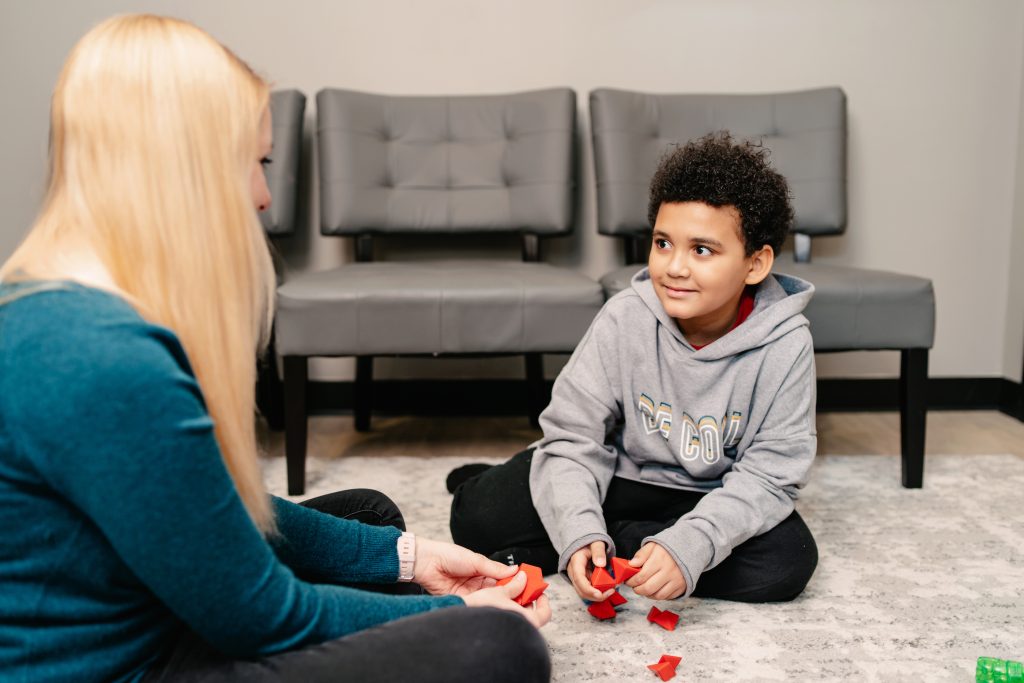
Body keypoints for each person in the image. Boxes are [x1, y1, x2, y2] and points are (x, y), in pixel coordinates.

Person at [0, 14, 549, 683]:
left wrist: (413, 558)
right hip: (137, 665)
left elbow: (214, 513)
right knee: (497, 645)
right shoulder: (106, 361)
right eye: (256, 164)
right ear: (186, 170)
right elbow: (260, 616)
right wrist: (454, 618)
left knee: (372, 520)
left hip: (165, 611)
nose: (264, 197)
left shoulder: (56, 307)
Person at [449, 132, 819, 605]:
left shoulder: (785, 343)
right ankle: (607, 538)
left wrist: (692, 544)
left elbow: (770, 476)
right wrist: (581, 530)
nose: (675, 267)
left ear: (755, 263)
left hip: (710, 493)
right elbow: (573, 435)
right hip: (622, 476)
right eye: (663, 243)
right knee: (474, 518)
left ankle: (628, 545)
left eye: (702, 250)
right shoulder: (626, 315)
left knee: (787, 563)